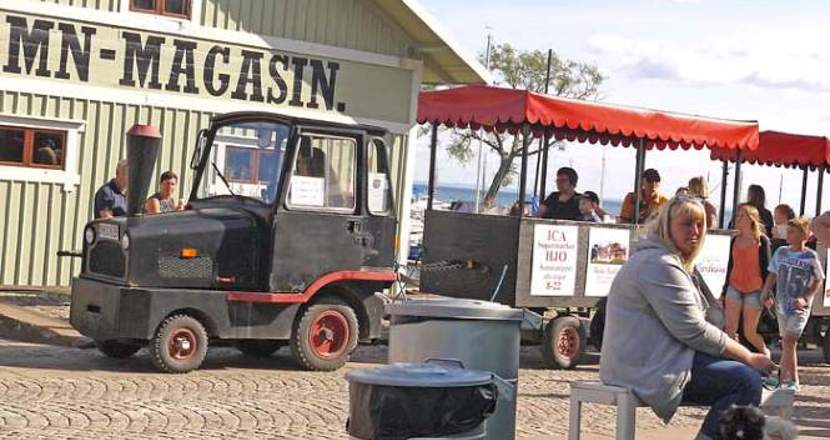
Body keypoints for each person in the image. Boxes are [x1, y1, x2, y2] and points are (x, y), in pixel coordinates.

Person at [601, 195, 774, 440]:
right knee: (746, 380)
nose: (695, 231)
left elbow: (703, 323)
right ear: (666, 226)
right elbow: (694, 330)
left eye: (700, 224)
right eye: (686, 224)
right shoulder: (660, 263)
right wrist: (748, 356)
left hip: (649, 361)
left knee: (744, 376)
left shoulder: (666, 259)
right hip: (643, 368)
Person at [761, 217, 824, 392]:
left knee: (789, 339)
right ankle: (792, 379)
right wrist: (766, 291)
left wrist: (806, 297)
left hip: (799, 307)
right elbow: (772, 274)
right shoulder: (781, 252)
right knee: (788, 344)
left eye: (792, 232)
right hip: (782, 304)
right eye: (787, 231)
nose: (787, 235)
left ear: (803, 235)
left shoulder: (810, 256)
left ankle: (782, 378)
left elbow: (818, 279)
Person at [722, 204, 771, 357]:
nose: (738, 218)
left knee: (749, 332)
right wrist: (724, 290)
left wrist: (768, 293)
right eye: (737, 215)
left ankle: (765, 354)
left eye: (741, 216)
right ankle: (733, 358)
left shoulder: (761, 241)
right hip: (734, 286)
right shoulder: (735, 240)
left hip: (754, 289)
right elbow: (730, 265)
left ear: (751, 219)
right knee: (730, 328)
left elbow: (767, 269)